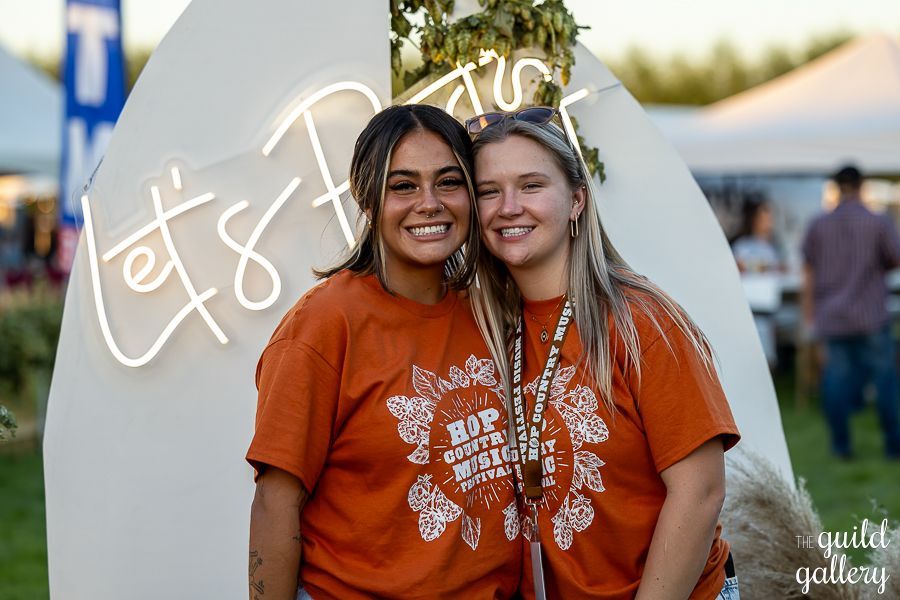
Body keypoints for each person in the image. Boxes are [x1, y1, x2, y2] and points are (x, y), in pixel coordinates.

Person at [246, 105, 521, 600]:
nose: (430, 203)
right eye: (404, 186)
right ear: (367, 197)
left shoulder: (490, 311)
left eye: (449, 181)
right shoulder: (324, 325)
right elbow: (275, 502)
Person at [467, 108, 741, 599]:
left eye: (531, 185)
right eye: (489, 190)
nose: (508, 207)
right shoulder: (488, 326)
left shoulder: (643, 323)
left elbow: (700, 492)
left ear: (576, 200)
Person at [801, 165, 900, 459]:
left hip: (832, 316)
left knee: (835, 380)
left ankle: (841, 446)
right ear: (861, 186)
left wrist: (809, 316)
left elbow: (808, 270)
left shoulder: (818, 224)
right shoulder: (878, 221)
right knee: (884, 380)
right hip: (870, 314)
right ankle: (893, 446)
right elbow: (895, 258)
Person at [731, 200, 783, 369]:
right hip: (750, 305)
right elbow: (738, 267)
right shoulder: (742, 245)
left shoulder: (773, 246)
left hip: (769, 304)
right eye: (764, 218)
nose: (768, 222)